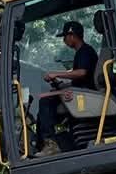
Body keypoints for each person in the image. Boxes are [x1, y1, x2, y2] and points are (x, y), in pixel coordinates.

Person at [34, 20, 100, 152]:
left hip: (85, 93)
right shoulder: (82, 52)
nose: (64, 40)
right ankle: (54, 141)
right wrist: (62, 82)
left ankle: (51, 143)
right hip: (81, 91)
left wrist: (56, 74)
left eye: (65, 37)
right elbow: (78, 72)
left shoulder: (85, 51)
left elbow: (82, 73)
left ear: (72, 36)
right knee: (50, 97)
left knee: (45, 101)